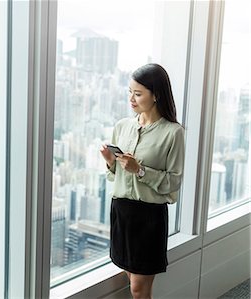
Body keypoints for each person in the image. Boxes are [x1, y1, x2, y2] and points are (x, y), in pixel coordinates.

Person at [99, 63, 185, 299]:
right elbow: (114, 176)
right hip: (121, 212)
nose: (131, 99)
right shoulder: (122, 126)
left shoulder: (173, 133)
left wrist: (140, 170)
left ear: (156, 95)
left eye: (138, 94)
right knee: (131, 279)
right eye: (130, 92)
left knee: (139, 288)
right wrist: (110, 162)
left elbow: (174, 182)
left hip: (148, 217)